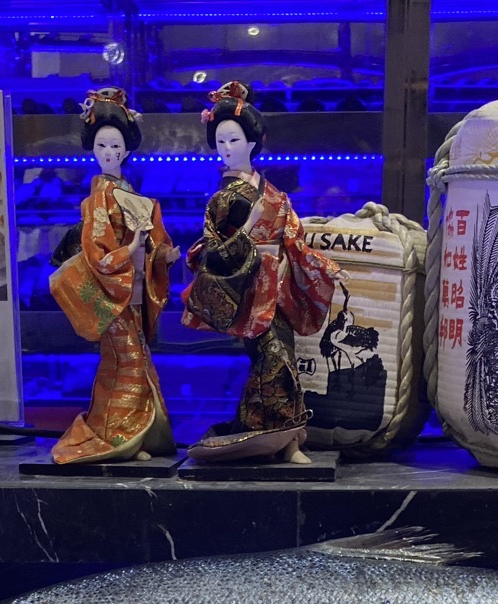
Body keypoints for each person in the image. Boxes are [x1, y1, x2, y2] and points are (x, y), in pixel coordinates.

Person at [182, 80, 340, 464]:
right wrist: (248, 232)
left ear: (253, 141)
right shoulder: (221, 199)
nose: (227, 147)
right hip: (250, 292)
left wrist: (325, 268)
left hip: (280, 289)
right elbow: (210, 251)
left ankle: (271, 434)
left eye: (234, 140)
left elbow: (295, 241)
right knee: (274, 361)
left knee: (281, 359)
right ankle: (283, 440)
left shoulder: (276, 195)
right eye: (221, 141)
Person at [48, 86, 178, 465]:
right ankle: (120, 437)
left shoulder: (128, 191)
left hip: (131, 290)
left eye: (115, 146)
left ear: (125, 150)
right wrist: (131, 249)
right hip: (112, 290)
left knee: (130, 360)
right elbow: (97, 253)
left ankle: (130, 435)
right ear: (93, 149)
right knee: (128, 361)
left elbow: (150, 241)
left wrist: (161, 255)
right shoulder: (97, 199)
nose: (108, 152)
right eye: (102, 146)